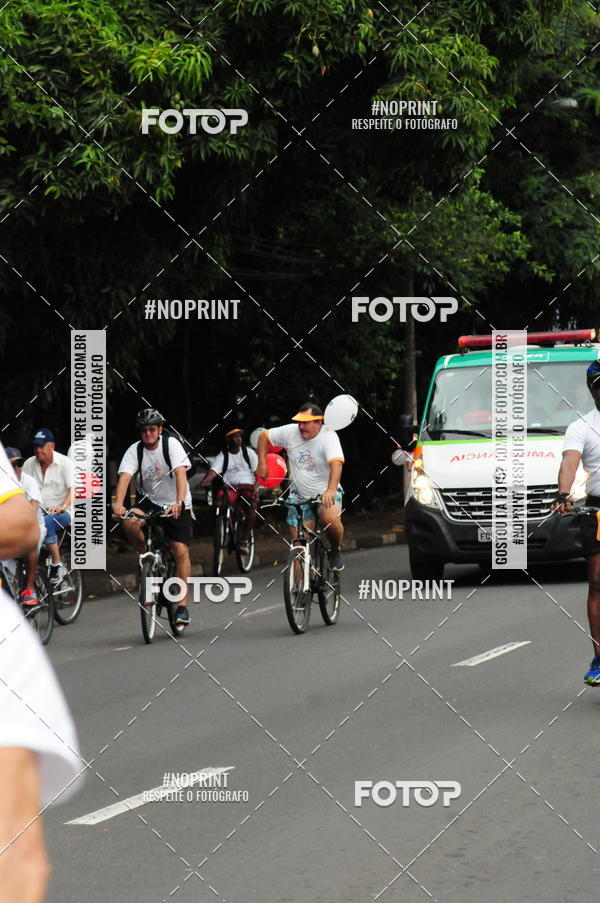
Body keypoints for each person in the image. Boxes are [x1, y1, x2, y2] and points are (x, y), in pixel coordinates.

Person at [0, 440, 82, 903]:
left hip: (49, 519)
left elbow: (21, 523)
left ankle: (40, 581)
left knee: (15, 850)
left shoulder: (35, 477)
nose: (26, 459)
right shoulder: (29, 469)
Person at [112, 409, 194, 626]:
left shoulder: (171, 445)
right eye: (144, 430)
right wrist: (118, 504)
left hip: (177, 501)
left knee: (179, 550)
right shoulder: (135, 450)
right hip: (150, 500)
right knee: (129, 522)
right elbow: (125, 477)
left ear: (160, 430)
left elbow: (181, 473)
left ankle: (182, 606)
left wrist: (179, 501)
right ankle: (146, 556)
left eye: (152, 429)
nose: (147, 433)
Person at [553, 360, 600, 685]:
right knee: (597, 581)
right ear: (593, 392)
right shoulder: (581, 427)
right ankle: (599, 658)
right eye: (599, 387)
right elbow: (569, 463)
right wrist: (563, 494)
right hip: (597, 511)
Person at [257, 402, 345, 570]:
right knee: (298, 547)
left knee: (330, 519)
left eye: (305, 422)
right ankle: (299, 585)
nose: (301, 426)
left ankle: (335, 549)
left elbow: (336, 464)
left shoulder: (329, 436)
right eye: (299, 422)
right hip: (298, 495)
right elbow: (263, 436)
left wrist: (331, 490)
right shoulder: (290, 432)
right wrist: (262, 462)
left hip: (325, 492)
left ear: (318, 422)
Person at [22, 429, 72, 587]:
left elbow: (73, 489)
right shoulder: (29, 464)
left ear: (52, 447)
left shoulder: (65, 462)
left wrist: (63, 506)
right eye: (36, 447)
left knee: (47, 522)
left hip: (63, 512)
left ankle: (57, 564)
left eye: (42, 447)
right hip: (37, 512)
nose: (38, 450)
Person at [199, 428, 259, 552]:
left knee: (252, 506)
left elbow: (258, 473)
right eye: (235, 437)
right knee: (219, 502)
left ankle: (245, 540)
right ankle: (223, 527)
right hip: (230, 486)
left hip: (247, 485)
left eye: (239, 436)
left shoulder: (249, 453)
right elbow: (213, 471)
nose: (238, 439)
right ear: (229, 439)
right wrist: (202, 483)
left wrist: (256, 487)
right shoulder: (223, 455)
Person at [5, 447, 46, 607]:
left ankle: (30, 589)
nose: (16, 468)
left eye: (19, 463)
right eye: (12, 465)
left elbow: (32, 509)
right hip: (9, 530)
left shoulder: (29, 481)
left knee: (29, 546)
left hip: (32, 527)